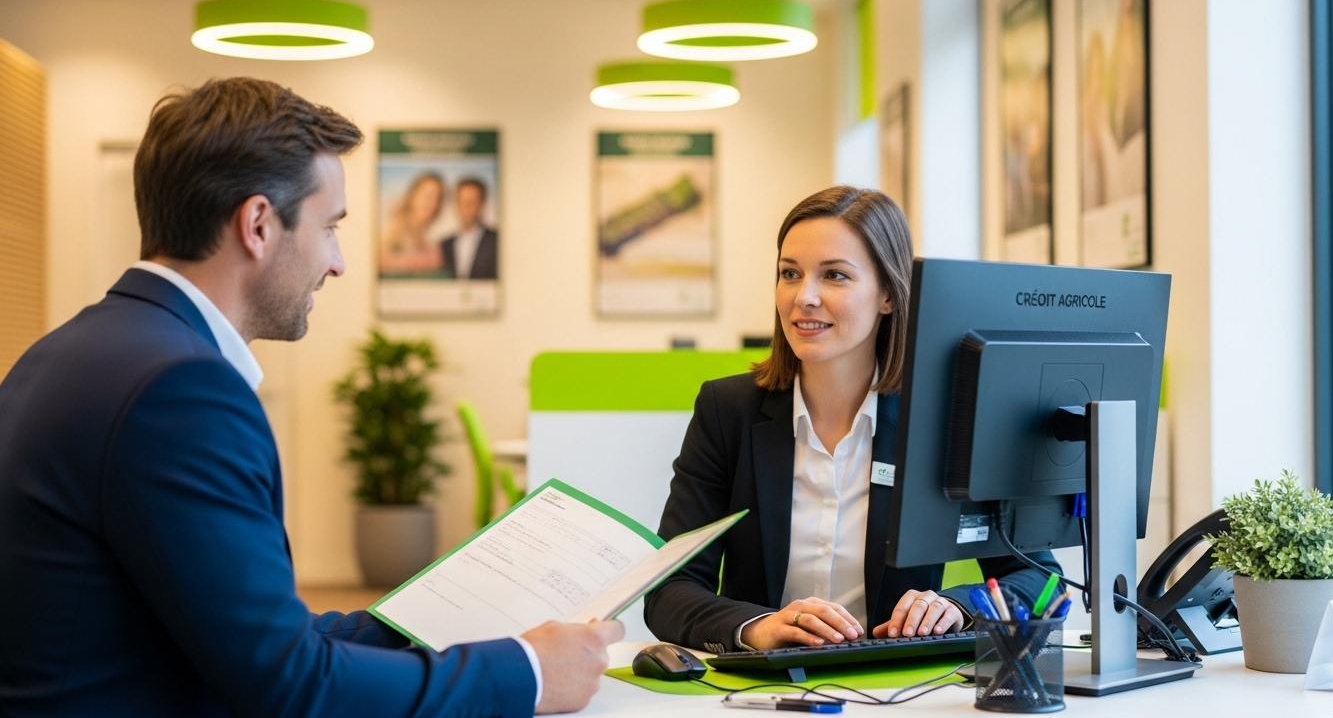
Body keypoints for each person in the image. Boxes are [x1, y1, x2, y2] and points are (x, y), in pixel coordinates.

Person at [0, 77, 620, 716]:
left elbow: (245, 634)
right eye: (330, 227)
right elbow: (289, 684)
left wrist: (434, 619)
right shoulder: (180, 390)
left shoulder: (73, 351)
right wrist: (528, 676)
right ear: (259, 225)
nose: (338, 262)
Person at [643, 186, 1060, 654]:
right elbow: (668, 590)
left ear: (888, 294)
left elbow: (1041, 582)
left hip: (899, 690)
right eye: (790, 273)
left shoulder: (945, 420)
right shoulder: (728, 411)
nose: (805, 297)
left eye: (835, 275)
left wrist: (959, 607)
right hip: (765, 689)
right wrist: (757, 626)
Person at [379, 171, 448, 275]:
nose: (433, 204)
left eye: (438, 198)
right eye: (428, 196)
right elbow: (377, 260)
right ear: (412, 196)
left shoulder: (429, 236)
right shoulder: (393, 227)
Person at [441, 177, 500, 280]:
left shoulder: (496, 240)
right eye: (462, 201)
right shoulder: (446, 244)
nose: (466, 207)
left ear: (482, 205)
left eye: (472, 202)